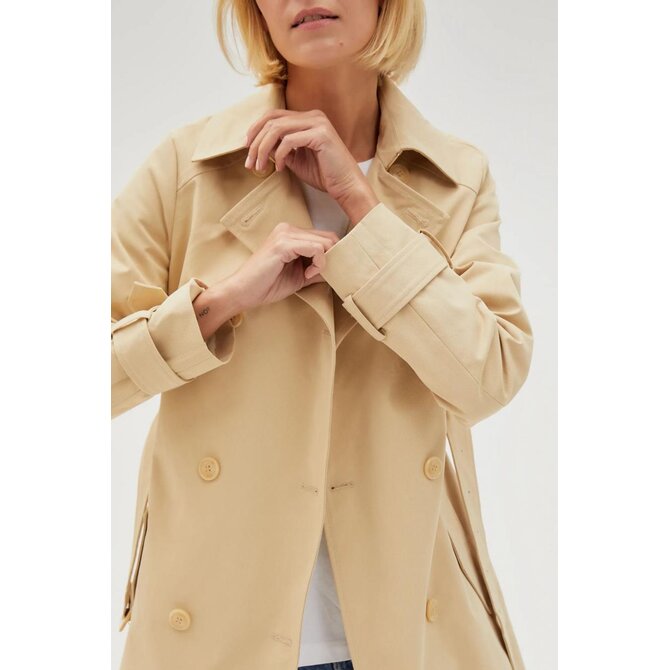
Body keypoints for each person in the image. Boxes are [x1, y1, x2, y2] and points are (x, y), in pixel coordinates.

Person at [112, 1, 534, 669]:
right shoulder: (186, 170)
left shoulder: (454, 178)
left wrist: (363, 209)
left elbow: (490, 375)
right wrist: (221, 302)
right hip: (214, 628)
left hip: (407, 628)